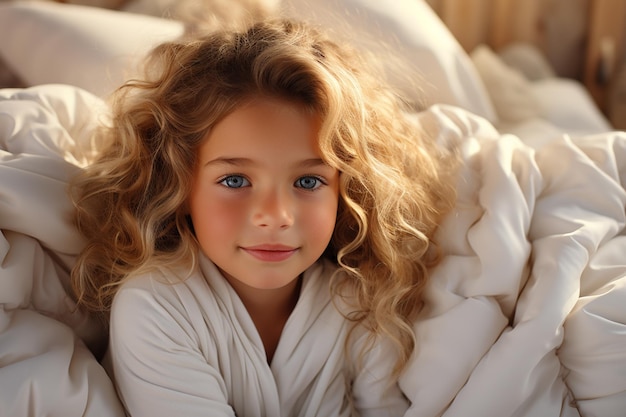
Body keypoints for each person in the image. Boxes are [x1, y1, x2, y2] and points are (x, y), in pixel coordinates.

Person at [70, 17, 457, 416]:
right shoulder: (156, 306)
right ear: (181, 186)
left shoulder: (356, 300)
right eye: (235, 179)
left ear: (346, 190)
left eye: (308, 182)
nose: (275, 217)